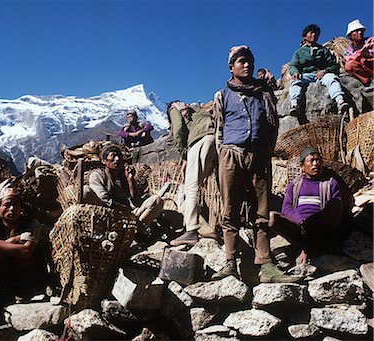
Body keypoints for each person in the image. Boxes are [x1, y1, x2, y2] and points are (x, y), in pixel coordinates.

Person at [212, 45, 298, 283]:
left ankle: (265, 263)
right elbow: (219, 129)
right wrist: (224, 155)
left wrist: (266, 151)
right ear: (231, 67)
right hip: (231, 154)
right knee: (229, 209)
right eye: (241, 61)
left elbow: (272, 125)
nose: (247, 65)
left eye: (249, 61)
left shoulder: (264, 93)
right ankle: (230, 261)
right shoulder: (222, 95)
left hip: (259, 156)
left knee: (261, 209)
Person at [268, 147, 344, 265]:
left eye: (318, 160)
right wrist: (301, 220)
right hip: (300, 225)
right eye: (311, 161)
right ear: (302, 166)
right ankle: (308, 246)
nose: (316, 164)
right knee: (273, 218)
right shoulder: (294, 185)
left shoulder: (330, 184)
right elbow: (286, 208)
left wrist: (313, 220)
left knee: (334, 206)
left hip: (320, 226)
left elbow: (335, 208)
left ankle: (307, 249)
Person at [0, 179, 46, 301]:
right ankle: (5, 291)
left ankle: (24, 291)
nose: (12, 209)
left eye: (16, 205)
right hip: (2, 278)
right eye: (7, 205)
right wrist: (13, 241)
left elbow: (26, 251)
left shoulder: (31, 224)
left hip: (27, 278)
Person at [166, 101, 218, 246]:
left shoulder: (174, 108)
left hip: (199, 142)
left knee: (191, 187)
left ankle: (191, 231)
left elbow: (178, 130)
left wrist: (184, 155)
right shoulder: (197, 110)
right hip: (214, 139)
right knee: (200, 183)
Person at [83, 145, 163, 225]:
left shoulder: (123, 175)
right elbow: (104, 200)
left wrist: (130, 179)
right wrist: (124, 209)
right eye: (113, 156)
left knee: (156, 200)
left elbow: (135, 199)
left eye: (119, 156)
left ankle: (138, 227)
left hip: (130, 214)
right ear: (104, 161)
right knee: (85, 191)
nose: (117, 159)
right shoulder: (98, 176)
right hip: (108, 214)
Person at [289, 24, 349, 117]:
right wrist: (295, 72)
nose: (314, 35)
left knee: (332, 78)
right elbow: (293, 65)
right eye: (311, 33)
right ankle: (294, 105)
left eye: (316, 34)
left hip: (322, 74)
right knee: (295, 82)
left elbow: (334, 65)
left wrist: (325, 71)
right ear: (305, 36)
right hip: (306, 75)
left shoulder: (324, 50)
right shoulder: (299, 52)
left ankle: (340, 101)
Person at [344, 19, 374, 86]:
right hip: (367, 71)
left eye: (361, 30)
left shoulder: (371, 41)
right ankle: (367, 81)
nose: (360, 32)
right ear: (350, 35)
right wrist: (361, 51)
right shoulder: (348, 52)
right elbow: (350, 60)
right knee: (349, 65)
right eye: (356, 31)